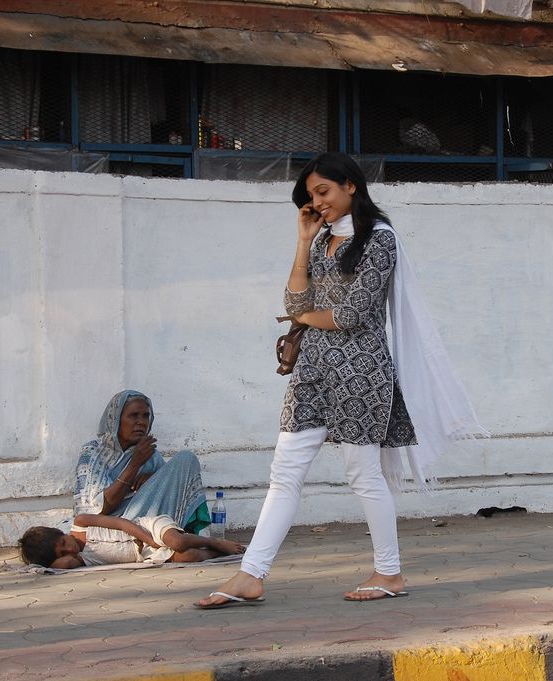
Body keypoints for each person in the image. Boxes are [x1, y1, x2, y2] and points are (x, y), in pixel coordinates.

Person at [195, 153, 483, 609]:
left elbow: (352, 315)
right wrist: (302, 241)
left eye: (323, 192)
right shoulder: (321, 236)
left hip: (361, 371)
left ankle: (388, 571)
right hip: (311, 369)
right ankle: (251, 574)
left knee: (362, 473)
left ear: (350, 185)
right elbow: (294, 296)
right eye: (310, 195)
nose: (317, 202)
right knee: (284, 471)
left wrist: (301, 315)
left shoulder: (380, 240)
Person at [74, 390, 211, 535]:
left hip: (147, 520)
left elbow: (169, 494)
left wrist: (153, 479)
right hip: (114, 525)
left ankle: (171, 534)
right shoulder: (93, 452)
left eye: (146, 416)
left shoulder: (149, 454)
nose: (141, 422)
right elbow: (98, 510)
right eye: (133, 416)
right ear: (116, 420)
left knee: (186, 459)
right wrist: (134, 464)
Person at [18, 513, 245, 569]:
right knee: (189, 558)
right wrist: (50, 561)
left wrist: (150, 539)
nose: (69, 549)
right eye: (62, 554)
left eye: (63, 543)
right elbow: (61, 566)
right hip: (145, 554)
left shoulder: (81, 522)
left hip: (147, 528)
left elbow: (122, 524)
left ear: (62, 532)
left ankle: (215, 542)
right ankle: (216, 553)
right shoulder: (78, 560)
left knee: (177, 542)